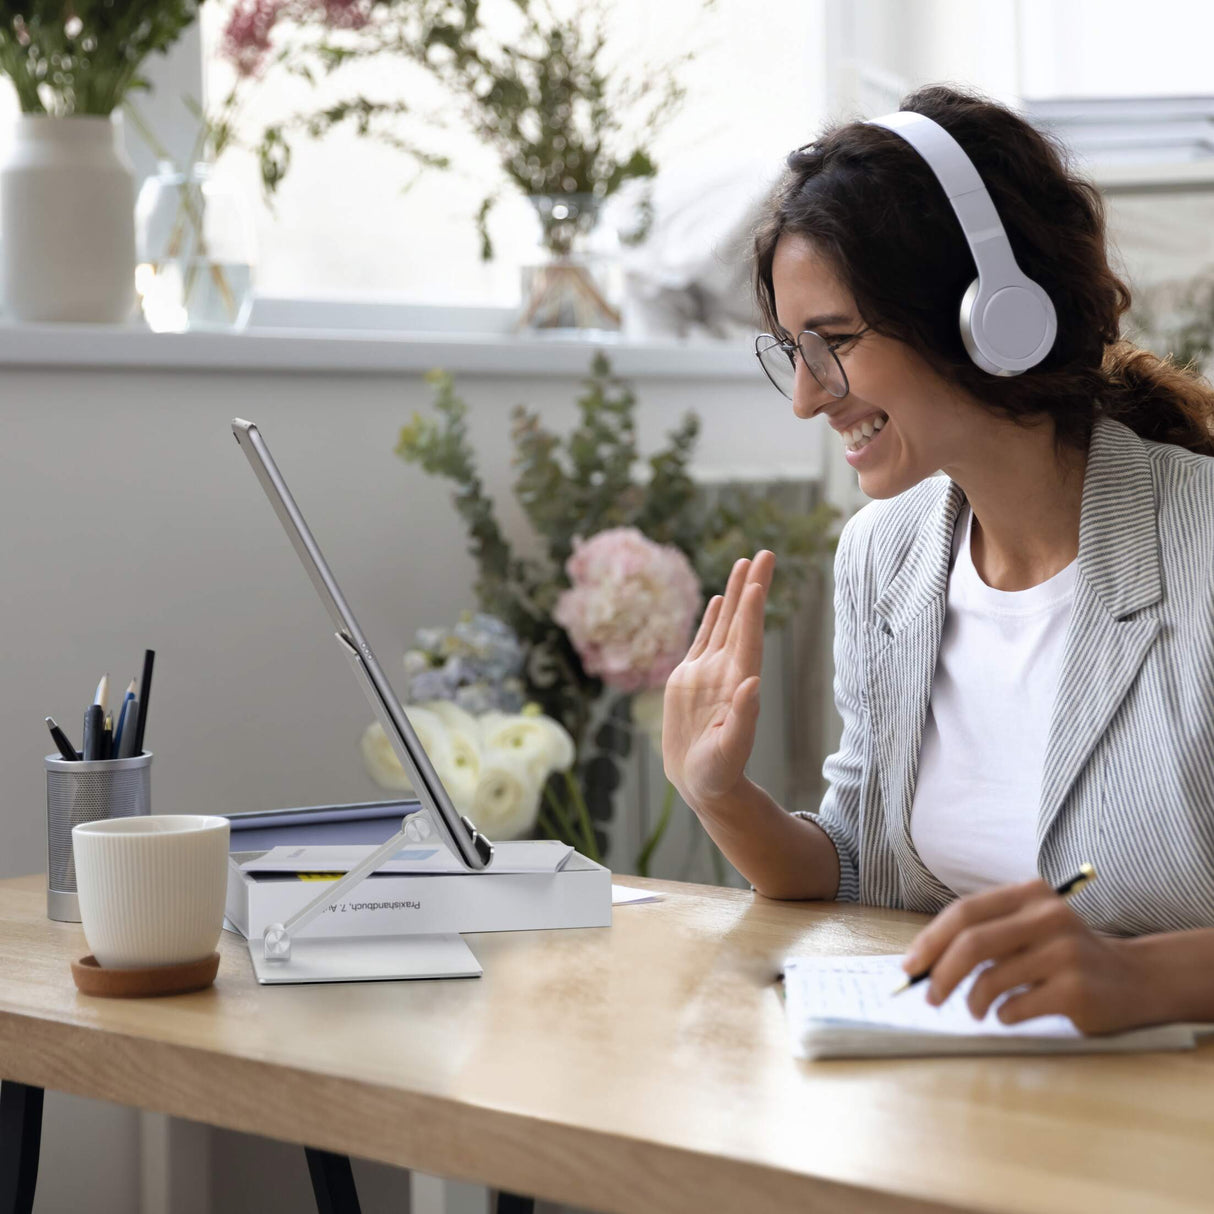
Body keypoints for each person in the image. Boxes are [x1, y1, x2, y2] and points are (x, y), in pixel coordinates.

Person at [661, 85, 1214, 1035]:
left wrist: (1139, 983)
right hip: (958, 1100)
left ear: (988, 314)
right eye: (792, 351)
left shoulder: (1199, 549)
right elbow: (859, 864)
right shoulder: (888, 555)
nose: (806, 398)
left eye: (832, 343)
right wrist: (720, 797)